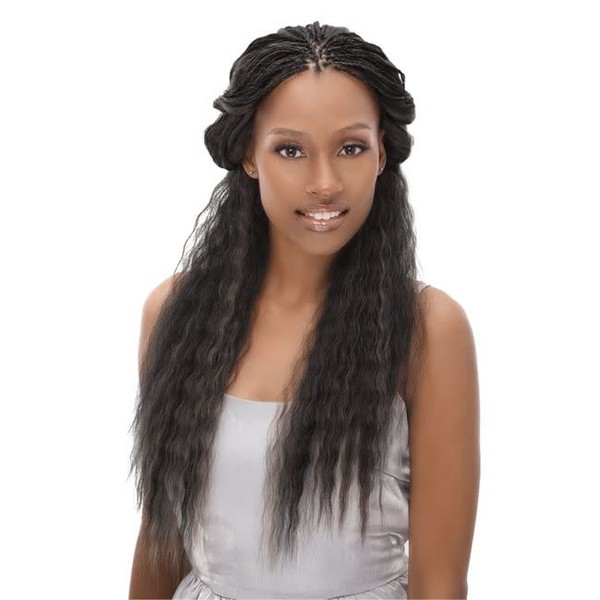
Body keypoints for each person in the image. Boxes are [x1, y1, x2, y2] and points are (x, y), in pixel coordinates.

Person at [128, 21, 480, 600]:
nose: (324, 183)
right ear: (249, 155)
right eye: (290, 150)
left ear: (382, 153)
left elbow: (440, 582)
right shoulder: (175, 314)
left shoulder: (428, 329)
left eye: (350, 148)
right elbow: (161, 541)